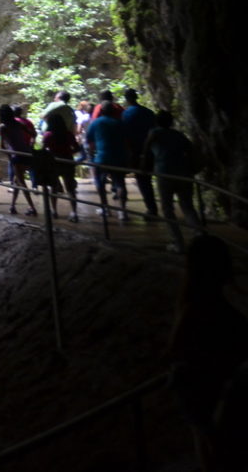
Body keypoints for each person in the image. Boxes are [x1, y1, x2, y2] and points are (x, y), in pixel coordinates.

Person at [170, 235, 248, 470]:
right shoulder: (224, 312)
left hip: (203, 392)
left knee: (207, 444)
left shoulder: (191, 309)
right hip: (222, 394)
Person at [146, 110, 203, 252]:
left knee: (167, 208)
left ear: (156, 122)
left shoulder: (154, 133)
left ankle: (178, 243)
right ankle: (201, 237)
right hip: (183, 173)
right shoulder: (179, 135)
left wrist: (142, 167)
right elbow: (192, 150)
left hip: (164, 174)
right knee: (188, 206)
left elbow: (146, 151)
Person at [121, 87, 159, 217]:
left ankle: (152, 209)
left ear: (126, 99)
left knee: (143, 180)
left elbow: (125, 134)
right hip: (152, 150)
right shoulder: (148, 112)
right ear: (136, 97)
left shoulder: (126, 114)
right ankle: (157, 207)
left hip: (136, 151)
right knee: (152, 179)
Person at [88, 102, 129, 220]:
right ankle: (123, 211)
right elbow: (126, 140)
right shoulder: (119, 123)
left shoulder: (95, 123)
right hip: (118, 156)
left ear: (101, 111)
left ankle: (105, 208)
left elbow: (89, 141)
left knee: (100, 183)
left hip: (102, 157)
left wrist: (92, 153)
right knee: (120, 183)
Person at [41, 109, 82, 220]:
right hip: (68, 161)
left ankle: (54, 211)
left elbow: (43, 149)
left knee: (53, 188)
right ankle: (74, 212)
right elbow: (77, 148)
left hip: (54, 162)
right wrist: (68, 152)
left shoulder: (48, 135)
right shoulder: (68, 134)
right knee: (70, 188)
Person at [0, 103, 37, 215]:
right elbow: (33, 134)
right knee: (16, 181)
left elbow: (2, 146)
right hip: (26, 153)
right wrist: (30, 144)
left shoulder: (2, 127)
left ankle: (32, 207)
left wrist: (9, 156)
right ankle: (12, 206)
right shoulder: (18, 123)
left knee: (21, 182)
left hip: (16, 156)